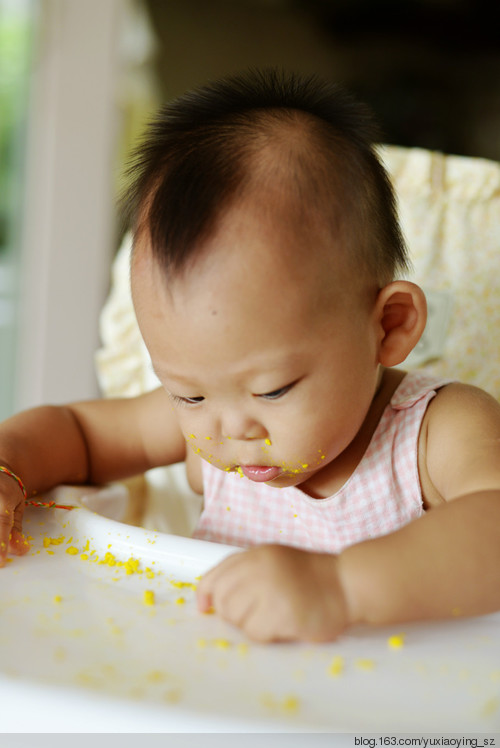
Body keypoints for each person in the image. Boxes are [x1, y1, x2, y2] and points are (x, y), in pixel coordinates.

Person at [1, 69, 499, 643]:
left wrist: (343, 587)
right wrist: (8, 467)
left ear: (387, 327)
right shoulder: (211, 422)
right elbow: (78, 434)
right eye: (188, 394)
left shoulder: (438, 433)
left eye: (272, 389)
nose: (231, 428)